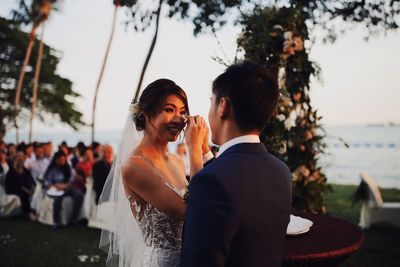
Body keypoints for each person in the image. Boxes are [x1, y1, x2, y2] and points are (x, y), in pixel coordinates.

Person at [181, 62, 292, 266]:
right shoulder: (281, 171)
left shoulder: (210, 182)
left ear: (223, 106)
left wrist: (194, 150)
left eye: (211, 102)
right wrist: (204, 153)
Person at [98, 79, 208, 267]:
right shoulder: (135, 166)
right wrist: (194, 149)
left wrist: (204, 149)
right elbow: (191, 212)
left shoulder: (177, 162)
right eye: (169, 110)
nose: (179, 119)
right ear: (147, 114)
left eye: (183, 112)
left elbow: (205, 199)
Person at [44, 151, 83, 227]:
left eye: (64, 160)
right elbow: (47, 183)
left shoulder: (68, 169)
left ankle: (73, 219)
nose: (63, 161)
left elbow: (71, 181)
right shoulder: (52, 170)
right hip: (54, 189)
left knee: (79, 195)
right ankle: (56, 221)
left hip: (66, 188)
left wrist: (64, 186)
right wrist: (55, 186)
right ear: (56, 160)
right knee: (58, 198)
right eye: (61, 160)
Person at [5, 152, 36, 221]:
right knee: (23, 193)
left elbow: (32, 181)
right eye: (18, 159)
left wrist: (33, 188)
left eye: (21, 159)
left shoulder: (26, 170)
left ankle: (36, 210)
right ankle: (29, 213)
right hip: (14, 189)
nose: (20, 160)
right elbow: (10, 185)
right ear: (15, 160)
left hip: (26, 189)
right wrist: (25, 189)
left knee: (36, 191)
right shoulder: (11, 171)